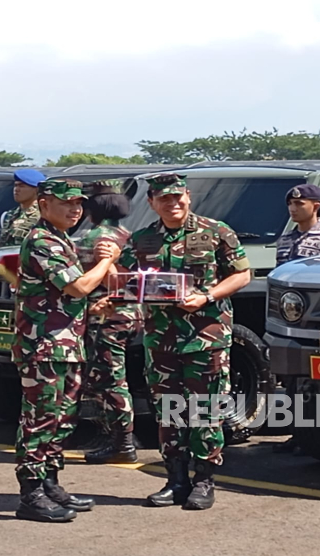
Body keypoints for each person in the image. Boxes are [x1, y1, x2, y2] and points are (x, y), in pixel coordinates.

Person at [118, 173, 251, 511]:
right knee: (169, 412)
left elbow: (241, 274)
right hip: (162, 341)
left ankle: (204, 480)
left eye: (178, 198)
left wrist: (207, 296)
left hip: (206, 337)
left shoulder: (215, 231)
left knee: (205, 410)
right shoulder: (143, 239)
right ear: (151, 203)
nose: (173, 204)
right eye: (164, 199)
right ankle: (175, 480)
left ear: (188, 197)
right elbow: (124, 280)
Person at [12, 178, 120, 523]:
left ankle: (50, 482)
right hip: (43, 347)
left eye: (78, 203)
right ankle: (30, 492)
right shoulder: (43, 240)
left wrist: (94, 309)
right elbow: (76, 286)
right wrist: (107, 261)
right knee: (39, 419)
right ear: (44, 205)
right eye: (66, 203)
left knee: (61, 420)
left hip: (66, 345)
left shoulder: (62, 239)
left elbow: (63, 300)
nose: (75, 209)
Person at [273, 183, 320, 455]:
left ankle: (319, 437)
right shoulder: (286, 240)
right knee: (292, 381)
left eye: (299, 204)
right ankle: (297, 434)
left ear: (316, 206)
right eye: (291, 204)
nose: (293, 208)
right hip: (291, 324)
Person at [77, 179, 143, 465]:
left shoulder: (93, 238)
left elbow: (102, 278)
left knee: (109, 379)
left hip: (105, 314)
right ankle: (118, 439)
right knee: (113, 377)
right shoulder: (127, 234)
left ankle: (121, 442)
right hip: (131, 312)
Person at [0, 169, 45, 247]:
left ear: (36, 190)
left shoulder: (44, 214)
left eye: (21, 186)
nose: (16, 189)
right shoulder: (10, 215)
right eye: (16, 185)